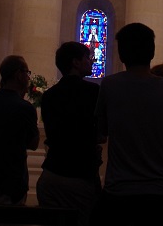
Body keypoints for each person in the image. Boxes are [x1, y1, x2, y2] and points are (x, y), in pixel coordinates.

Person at [92, 23, 163, 226]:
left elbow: (100, 133)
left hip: (119, 190)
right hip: (158, 192)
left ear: (120, 54)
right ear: (152, 51)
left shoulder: (110, 86)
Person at [36, 42, 102, 226]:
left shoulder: (49, 95)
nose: (91, 61)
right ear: (75, 62)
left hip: (51, 174)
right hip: (79, 176)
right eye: (87, 57)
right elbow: (100, 132)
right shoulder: (93, 92)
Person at [0, 55, 40, 205]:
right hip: (12, 185)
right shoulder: (25, 108)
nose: (28, 78)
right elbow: (34, 143)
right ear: (18, 75)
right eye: (27, 73)